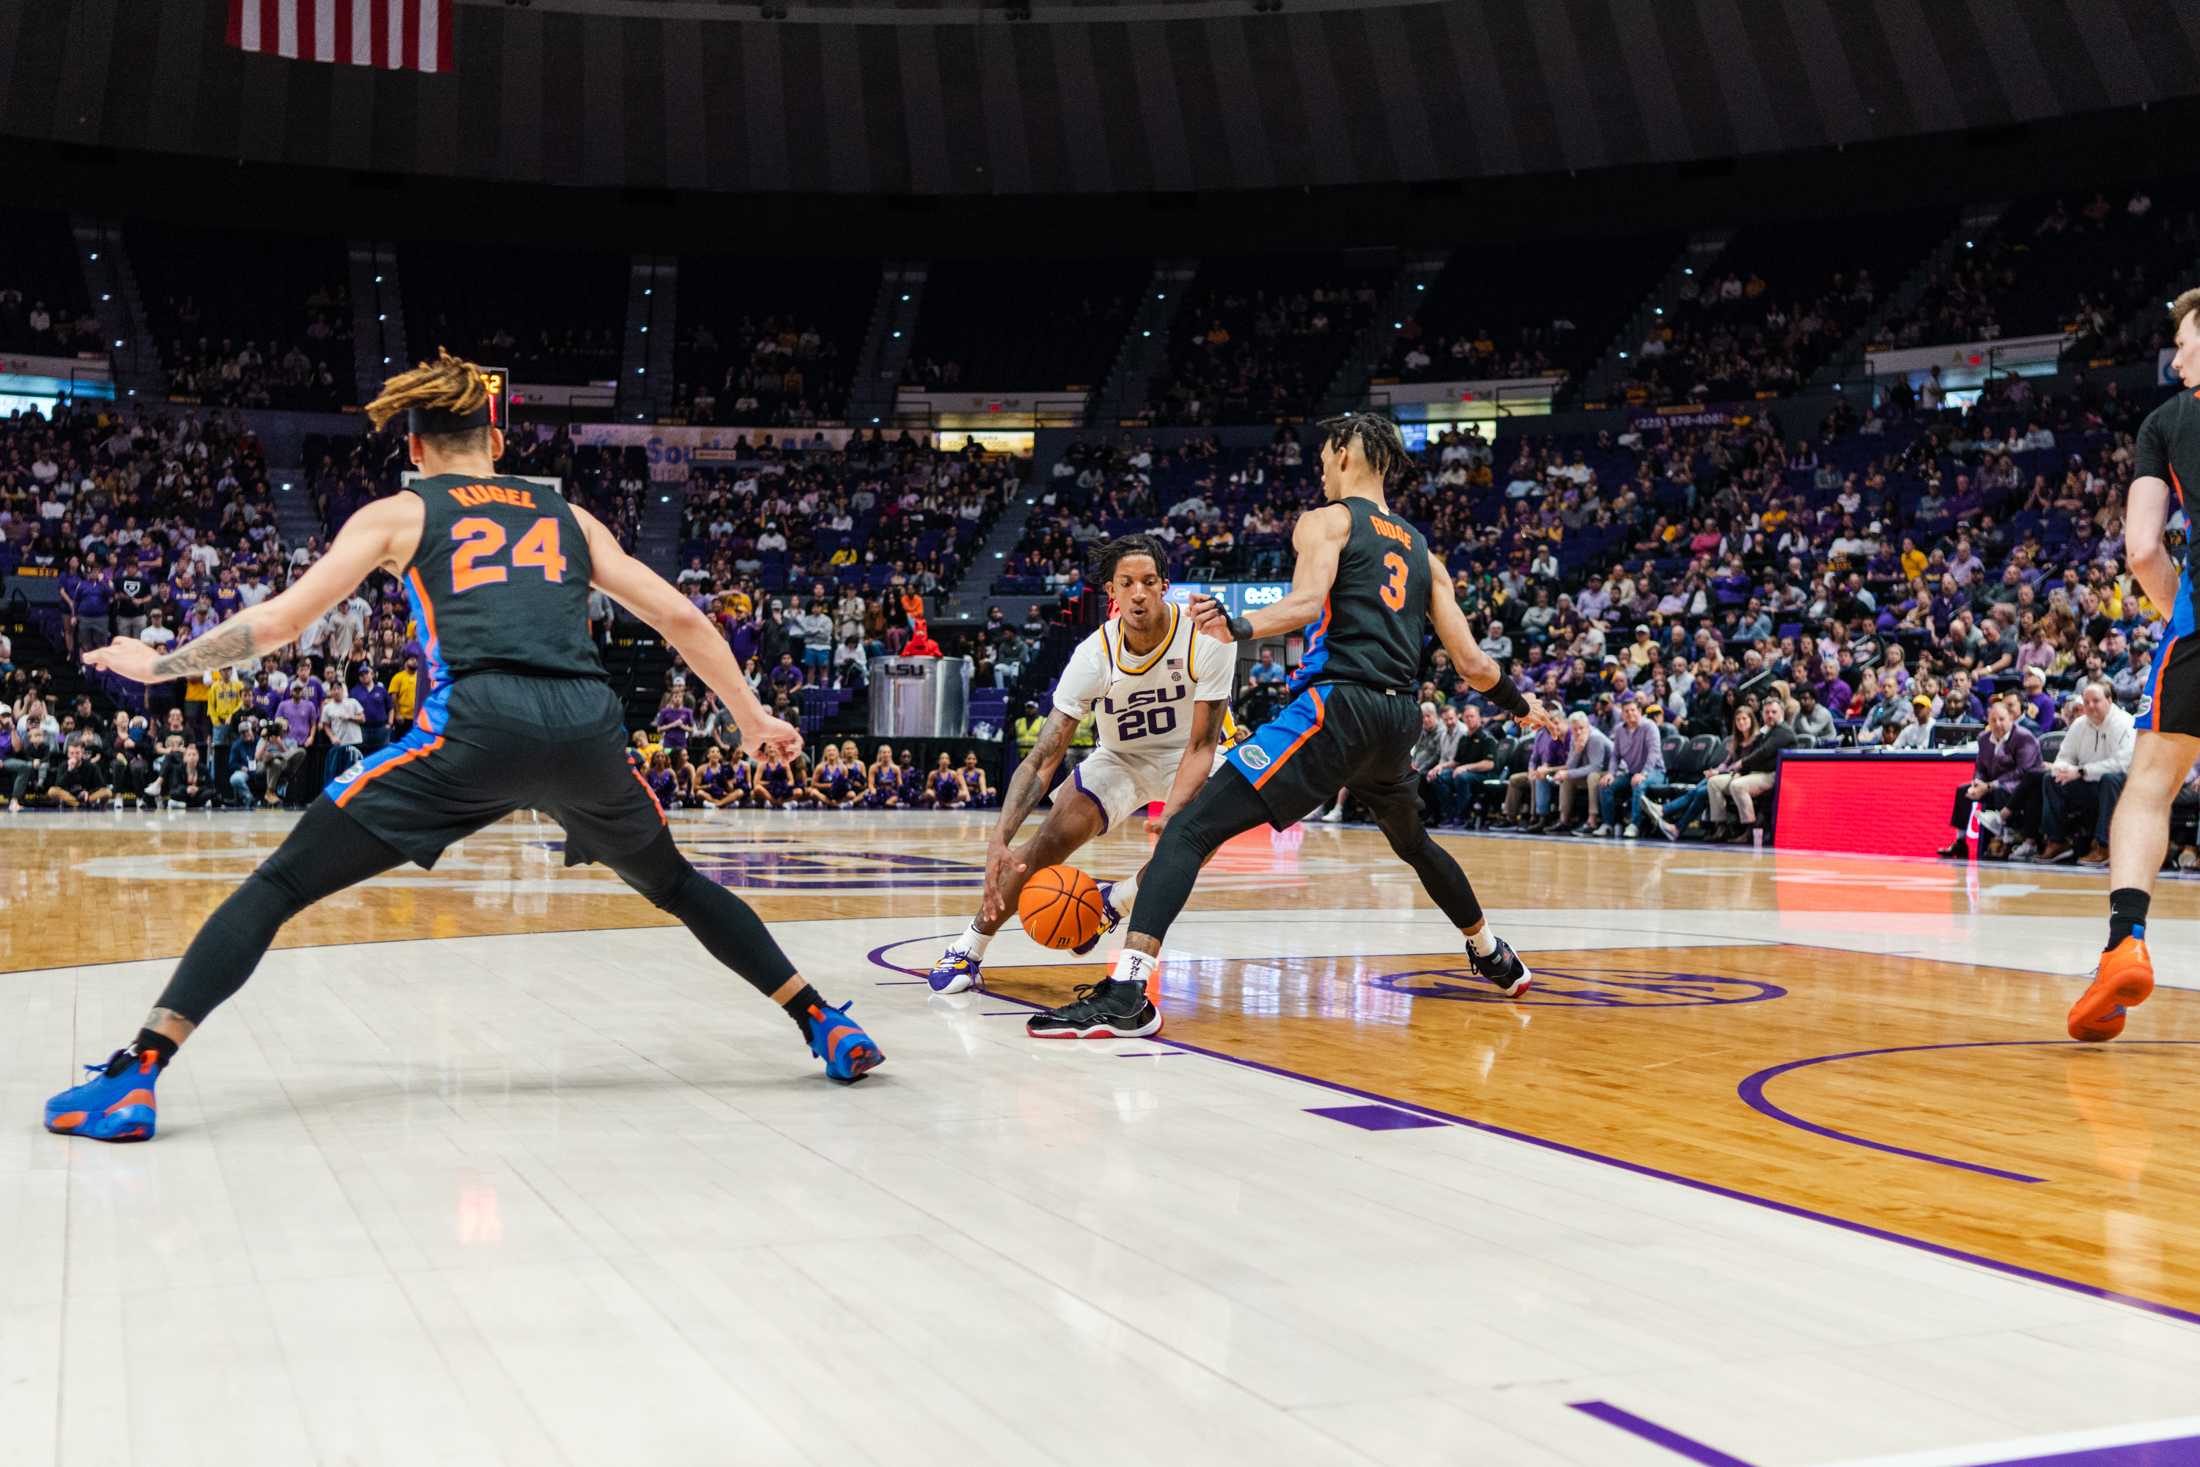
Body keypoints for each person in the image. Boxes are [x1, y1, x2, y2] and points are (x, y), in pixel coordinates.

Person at [47, 351, 881, 1144]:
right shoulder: (571, 517)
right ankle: (822, 1020)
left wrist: (160, 665)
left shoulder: (400, 512)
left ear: (414, 448)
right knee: (676, 884)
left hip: (476, 723)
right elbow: (683, 620)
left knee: (280, 882)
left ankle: (139, 1071)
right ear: (501, 442)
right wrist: (750, 717)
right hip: (588, 725)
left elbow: (281, 622)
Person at [1030, 414, 1559, 1039]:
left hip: (1337, 708)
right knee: (1414, 843)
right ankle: (1491, 950)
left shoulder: (1327, 520)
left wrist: (1240, 625)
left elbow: (1308, 604)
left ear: (1344, 453)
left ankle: (1128, 993)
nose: (1320, 469)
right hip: (1397, 719)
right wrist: (1522, 707)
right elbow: (1472, 664)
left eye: (1324, 456)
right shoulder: (1424, 552)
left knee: (1187, 830)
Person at [927, 534, 1236, 995]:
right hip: (1120, 757)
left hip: (1190, 754)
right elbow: (1042, 757)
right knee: (1047, 842)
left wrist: (1175, 816)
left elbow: (1201, 746)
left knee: (1196, 837)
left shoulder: (1205, 638)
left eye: (1148, 581)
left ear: (1164, 586)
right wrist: (998, 839)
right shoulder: (1094, 655)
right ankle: (970, 948)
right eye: (1126, 582)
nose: (1138, 593)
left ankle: (1116, 900)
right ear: (1111, 592)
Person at [2068, 292, 2200, 1040]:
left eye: (2184, 342)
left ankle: (2126, 942)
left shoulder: (2169, 422)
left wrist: (2183, 612)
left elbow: (2143, 550)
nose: (2175, 357)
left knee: (2149, 786)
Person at [2029, 682, 2134, 865]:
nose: (2091, 706)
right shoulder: (2079, 724)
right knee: (2051, 779)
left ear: (2109, 700)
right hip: (2088, 782)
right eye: (2086, 702)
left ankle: (2104, 845)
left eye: (2096, 701)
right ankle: (2057, 841)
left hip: (2120, 789)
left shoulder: (2125, 722)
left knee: (2111, 779)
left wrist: (2081, 771)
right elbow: (2065, 756)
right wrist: (2062, 769)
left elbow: (2122, 764)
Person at [1936, 699, 2042, 860]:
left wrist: (1990, 785)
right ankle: (1960, 841)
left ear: (2011, 719)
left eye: (2001, 719)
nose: (1998, 724)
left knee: (2000, 791)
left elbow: (2023, 771)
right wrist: (1977, 783)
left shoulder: (2024, 737)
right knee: (1964, 791)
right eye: (1993, 720)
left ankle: (2005, 838)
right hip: (1991, 785)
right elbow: (1980, 768)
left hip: (2020, 786)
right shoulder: (1984, 739)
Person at [1595, 696, 1665, 838]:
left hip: (1655, 772)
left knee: (1638, 784)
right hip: (1632, 772)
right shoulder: (1619, 730)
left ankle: (1634, 825)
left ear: (1639, 711)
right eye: (1626, 711)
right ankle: (1608, 824)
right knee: (1604, 784)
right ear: (1622, 714)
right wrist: (1611, 774)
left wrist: (1644, 773)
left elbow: (1654, 753)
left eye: (1633, 710)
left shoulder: (1649, 726)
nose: (1630, 713)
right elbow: (1615, 756)